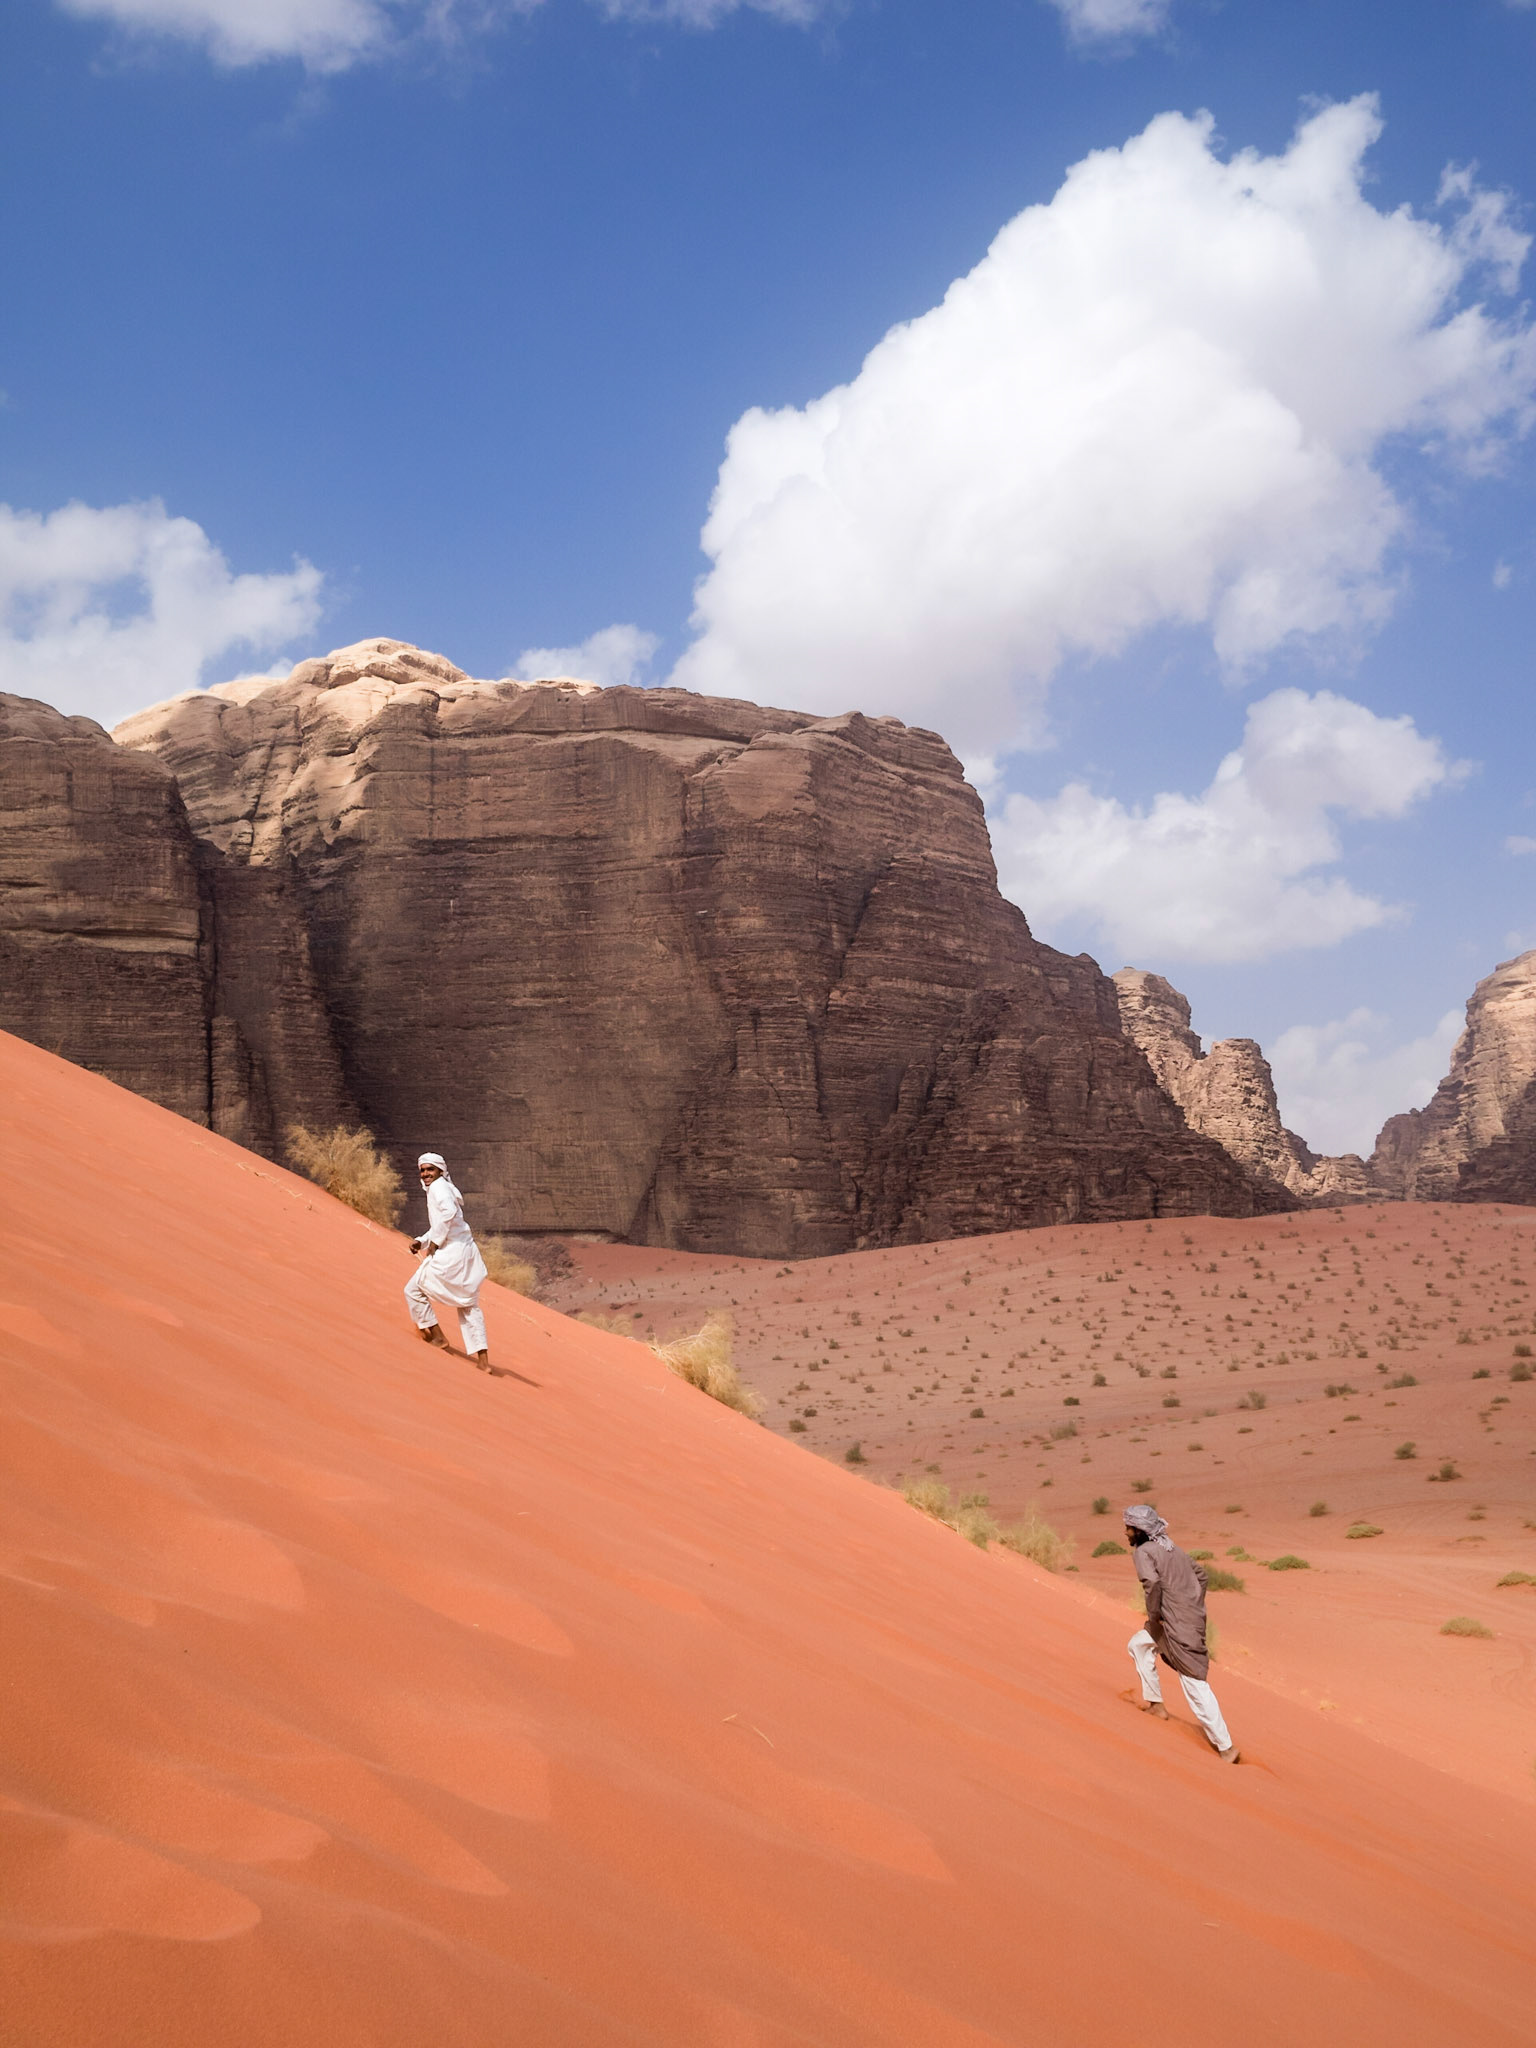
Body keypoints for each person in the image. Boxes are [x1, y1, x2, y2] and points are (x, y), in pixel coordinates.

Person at [1123, 1504, 1239, 1764]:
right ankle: (1156, 1704)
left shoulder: (1144, 1552)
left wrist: (1155, 1615)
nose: (1126, 1532)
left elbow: (1151, 1584)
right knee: (1139, 1645)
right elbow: (1202, 1576)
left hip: (1175, 1622)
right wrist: (1192, 1603)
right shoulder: (1171, 1547)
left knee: (1194, 1682)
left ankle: (1226, 1746)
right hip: (1190, 1618)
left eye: (1129, 1528)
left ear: (1140, 1530)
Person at [404, 1152, 503, 1376]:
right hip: (466, 1253)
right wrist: (422, 1241)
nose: (426, 1174)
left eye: (430, 1169)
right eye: (422, 1170)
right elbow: (446, 1221)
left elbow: (447, 1215)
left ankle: (438, 1336)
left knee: (413, 1290)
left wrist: (434, 1244)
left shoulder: (439, 1188)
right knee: (468, 1304)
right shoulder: (444, 1188)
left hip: (452, 1254)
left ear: (440, 1171)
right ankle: (483, 1361)